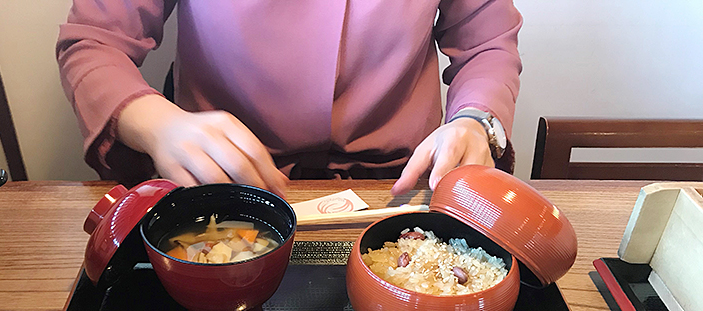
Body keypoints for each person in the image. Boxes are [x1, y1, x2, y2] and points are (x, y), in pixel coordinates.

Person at [57, 1, 522, 197]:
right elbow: (96, 41)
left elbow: (486, 43)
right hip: (225, 183)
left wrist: (477, 120)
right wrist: (157, 124)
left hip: (403, 185)